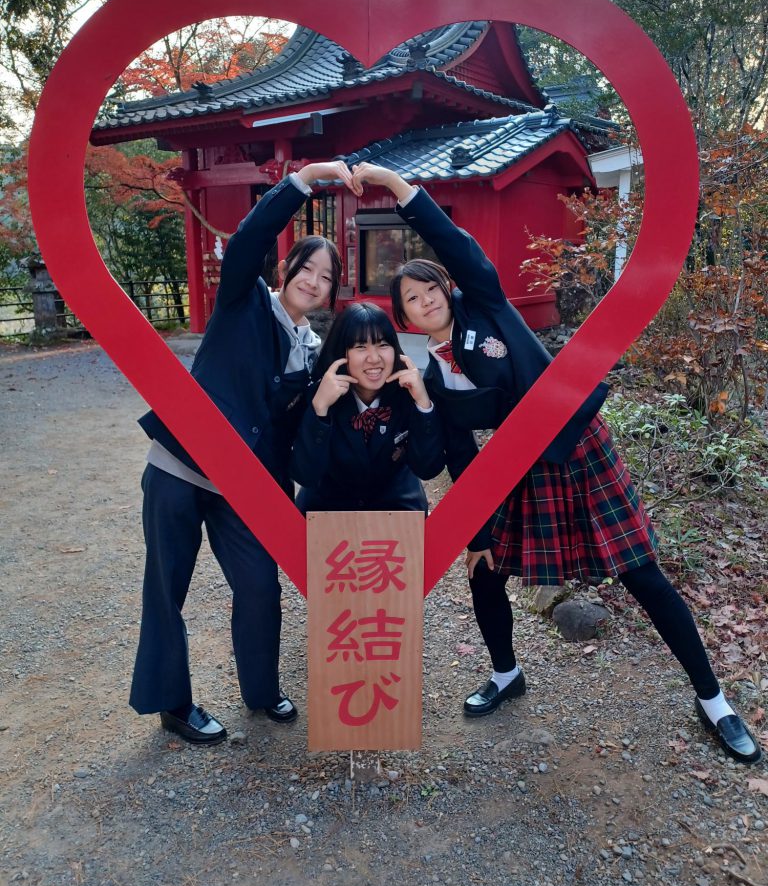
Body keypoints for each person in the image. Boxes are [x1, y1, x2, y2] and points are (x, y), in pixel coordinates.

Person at [350, 161, 761, 766]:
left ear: (447, 286)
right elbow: (457, 454)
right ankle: (506, 673)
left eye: (430, 287)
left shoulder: (485, 306)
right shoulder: (430, 375)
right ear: (405, 318)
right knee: (484, 569)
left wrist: (396, 186)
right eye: (411, 299)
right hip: (520, 467)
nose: (425, 300)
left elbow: (457, 246)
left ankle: (714, 700)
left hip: (576, 446)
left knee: (642, 573)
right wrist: (475, 530)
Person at [130, 161, 358, 745]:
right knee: (166, 588)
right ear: (285, 270)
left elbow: (293, 433)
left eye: (326, 277)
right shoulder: (243, 299)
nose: (313, 282)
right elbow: (249, 239)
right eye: (306, 269)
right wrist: (306, 178)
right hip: (180, 468)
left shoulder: (312, 351)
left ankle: (261, 690)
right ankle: (173, 705)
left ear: (332, 292)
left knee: (259, 586)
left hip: (244, 488)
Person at [291, 302, 444, 515]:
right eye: (360, 347)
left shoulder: (408, 393)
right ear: (341, 351)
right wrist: (320, 409)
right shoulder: (320, 393)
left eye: (383, 345)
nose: (374, 358)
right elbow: (305, 475)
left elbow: (428, 469)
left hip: (397, 509)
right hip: (327, 511)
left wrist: (423, 405)